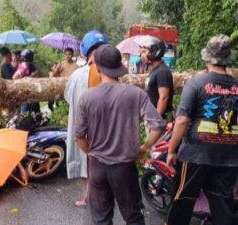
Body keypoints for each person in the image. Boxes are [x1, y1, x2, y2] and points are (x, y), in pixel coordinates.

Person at [74, 44, 166, 225]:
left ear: (98, 67)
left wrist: (90, 152)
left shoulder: (87, 97)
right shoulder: (135, 94)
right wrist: (145, 148)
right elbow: (158, 125)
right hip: (124, 168)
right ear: (118, 67)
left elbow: (78, 136)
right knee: (134, 218)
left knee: (101, 220)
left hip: (97, 168)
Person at [166, 34, 238, 225]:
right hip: (229, 156)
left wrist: (172, 150)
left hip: (195, 155)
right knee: (223, 203)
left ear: (206, 58)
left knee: (182, 200)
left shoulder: (196, 83)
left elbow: (181, 120)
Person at [64, 30, 108, 207]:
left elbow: (68, 96)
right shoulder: (109, 73)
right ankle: (104, 196)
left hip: (85, 128)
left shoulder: (77, 75)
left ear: (85, 51)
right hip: (105, 126)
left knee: (87, 162)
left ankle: (88, 197)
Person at [139, 35, 174, 119]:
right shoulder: (155, 69)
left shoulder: (162, 72)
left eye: (144, 51)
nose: (141, 54)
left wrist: (156, 120)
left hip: (160, 119)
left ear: (154, 52)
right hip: (151, 116)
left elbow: (164, 97)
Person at [13, 49, 40, 113]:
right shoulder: (23, 66)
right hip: (24, 93)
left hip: (29, 92)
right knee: (25, 112)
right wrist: (29, 77)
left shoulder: (28, 65)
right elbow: (14, 77)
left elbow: (36, 72)